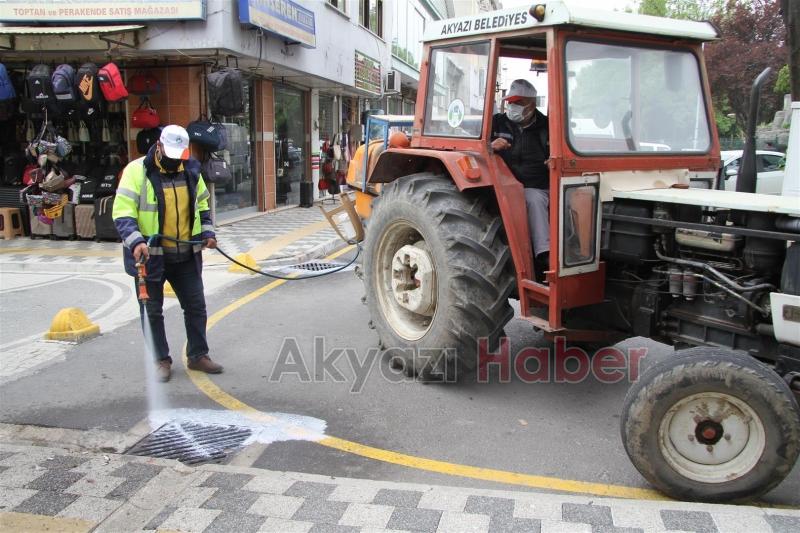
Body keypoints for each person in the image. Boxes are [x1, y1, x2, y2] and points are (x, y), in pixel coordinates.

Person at [112, 125, 223, 382]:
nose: (175, 160)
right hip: (150, 256)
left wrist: (207, 233)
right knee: (151, 310)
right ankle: (161, 359)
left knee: (196, 306)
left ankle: (198, 355)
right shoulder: (136, 172)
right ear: (159, 146)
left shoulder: (192, 170)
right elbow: (122, 212)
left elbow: (203, 205)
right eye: (171, 154)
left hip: (186, 254)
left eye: (179, 156)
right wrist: (135, 240)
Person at [491, 79, 550, 280]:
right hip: (505, 187)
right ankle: (545, 256)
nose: (512, 107)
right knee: (533, 198)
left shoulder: (547, 127)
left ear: (531, 106)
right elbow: (476, 146)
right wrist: (490, 146)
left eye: (518, 103)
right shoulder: (497, 122)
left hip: (541, 183)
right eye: (511, 102)